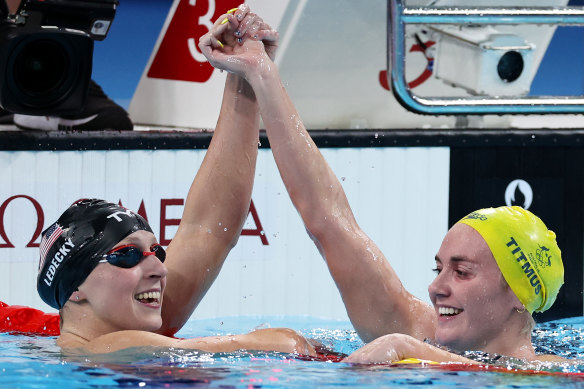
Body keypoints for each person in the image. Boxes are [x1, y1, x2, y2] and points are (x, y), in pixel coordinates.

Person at [198, 16, 566, 364]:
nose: (436, 288)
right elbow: (328, 220)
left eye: (462, 272)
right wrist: (261, 73)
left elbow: (515, 373)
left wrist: (409, 349)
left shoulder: (556, 374)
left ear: (518, 293)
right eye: (438, 268)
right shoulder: (416, 330)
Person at [36, 6, 316, 357]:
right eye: (127, 256)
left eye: (157, 251)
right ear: (75, 288)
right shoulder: (113, 346)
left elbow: (209, 229)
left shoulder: (119, 332)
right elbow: (278, 345)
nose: (157, 268)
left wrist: (244, 74)